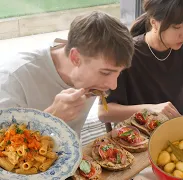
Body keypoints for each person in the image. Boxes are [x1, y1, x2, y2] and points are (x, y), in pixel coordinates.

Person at [0, 11, 134, 137]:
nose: (113, 85)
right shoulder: (12, 78)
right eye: (105, 73)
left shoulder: (91, 69)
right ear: (75, 57)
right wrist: (51, 117)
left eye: (118, 73)